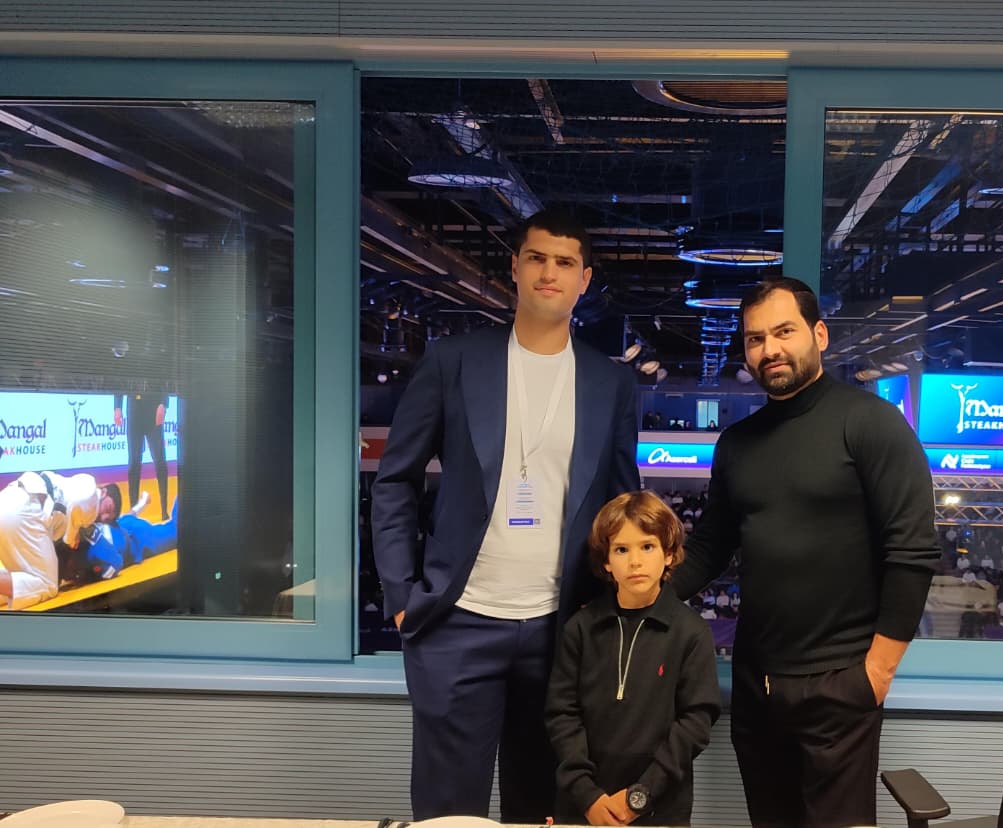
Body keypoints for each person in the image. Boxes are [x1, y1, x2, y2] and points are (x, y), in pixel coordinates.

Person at [371, 209, 641, 822]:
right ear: (515, 267)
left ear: (584, 279)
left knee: (544, 807)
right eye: (537, 258)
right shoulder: (454, 361)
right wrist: (401, 593)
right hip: (457, 621)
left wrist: (615, 613)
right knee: (448, 812)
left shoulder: (611, 384)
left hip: (561, 629)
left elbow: (623, 509)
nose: (550, 273)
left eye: (565, 263)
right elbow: (395, 481)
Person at [670, 277, 940, 828]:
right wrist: (633, 596)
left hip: (840, 682)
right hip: (755, 686)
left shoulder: (870, 423)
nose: (769, 349)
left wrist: (875, 674)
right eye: (755, 339)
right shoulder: (737, 443)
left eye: (784, 332)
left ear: (819, 335)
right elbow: (710, 547)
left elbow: (912, 552)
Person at [545, 490, 720, 826]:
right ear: (606, 562)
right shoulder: (580, 628)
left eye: (647, 547)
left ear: (669, 554)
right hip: (583, 806)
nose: (635, 561)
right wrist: (587, 795)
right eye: (621, 550)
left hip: (661, 807)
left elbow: (695, 724)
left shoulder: (691, 632)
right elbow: (562, 715)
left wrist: (642, 794)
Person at [0, 471, 121, 610]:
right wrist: (70, 538)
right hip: (25, 513)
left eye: (107, 519)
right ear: (104, 492)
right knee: (47, 585)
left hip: (10, 499)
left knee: (23, 579)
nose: (104, 516)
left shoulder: (73, 487)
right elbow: (77, 503)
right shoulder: (91, 490)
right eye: (108, 508)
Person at [114, 392, 171, 521]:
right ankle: (133, 513)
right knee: (134, 463)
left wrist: (163, 404)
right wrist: (117, 406)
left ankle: (164, 511)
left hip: (153, 407)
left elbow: (166, 380)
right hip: (134, 409)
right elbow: (120, 382)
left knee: (160, 461)